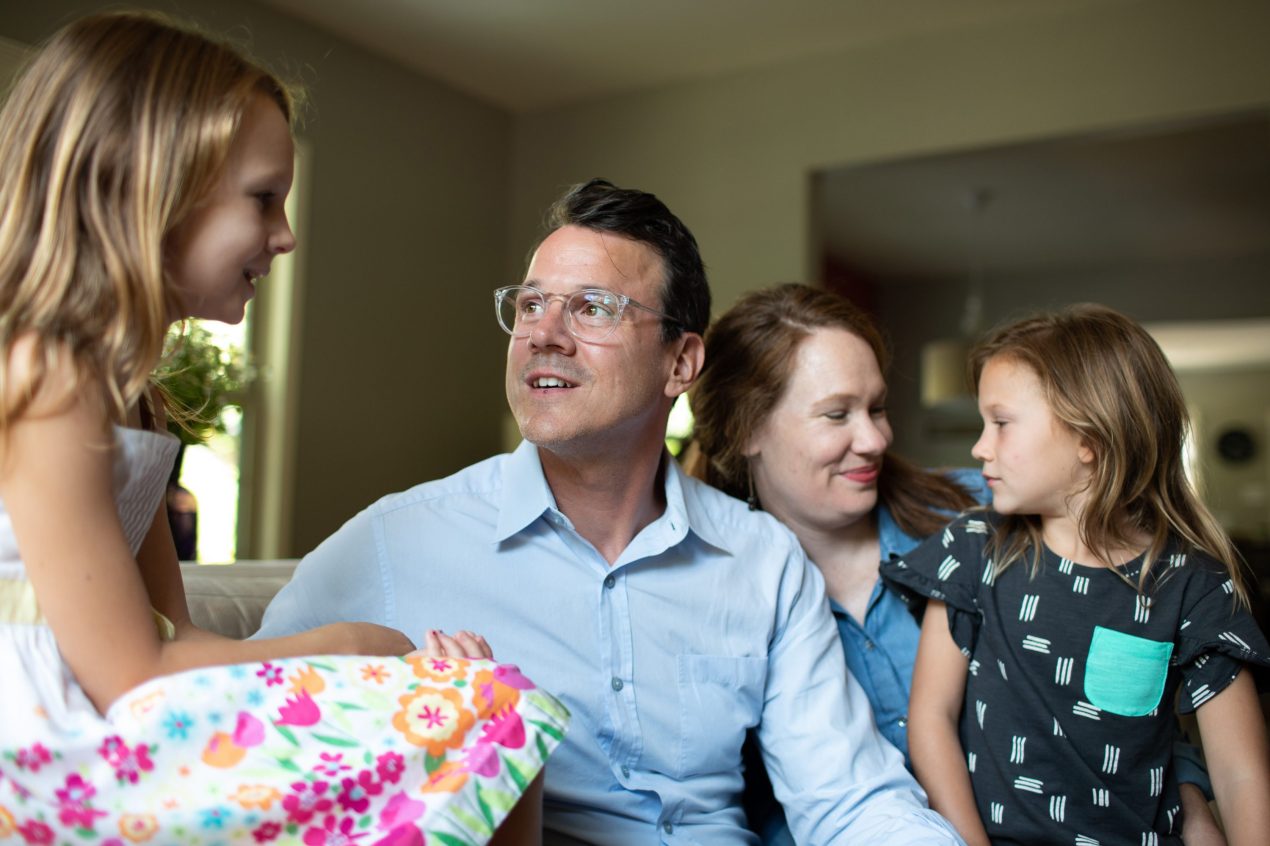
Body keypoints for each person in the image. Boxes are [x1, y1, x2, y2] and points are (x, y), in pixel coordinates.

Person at [258, 179, 964, 844]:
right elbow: (244, 730)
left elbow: (848, 798)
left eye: (592, 308)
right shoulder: (396, 542)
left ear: (681, 364)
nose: (543, 334)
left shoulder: (762, 559)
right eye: (530, 305)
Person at [0, 12, 565, 844]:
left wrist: (390, 668)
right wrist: (355, 645)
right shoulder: (46, 378)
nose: (287, 235)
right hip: (48, 750)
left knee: (489, 704)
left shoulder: (132, 397)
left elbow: (173, 633)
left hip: (117, 709)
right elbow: (136, 675)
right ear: (146, 187)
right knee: (489, 713)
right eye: (263, 198)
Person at [687, 283, 1224, 846]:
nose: (875, 438)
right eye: (837, 414)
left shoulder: (992, 517)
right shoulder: (710, 590)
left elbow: (1132, 669)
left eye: (877, 408)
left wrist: (1191, 804)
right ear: (746, 429)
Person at [882, 304, 1270, 845]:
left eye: (1001, 423)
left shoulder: (1192, 584)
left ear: (1090, 438)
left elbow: (1240, 773)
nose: (979, 448)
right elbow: (931, 720)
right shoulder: (973, 549)